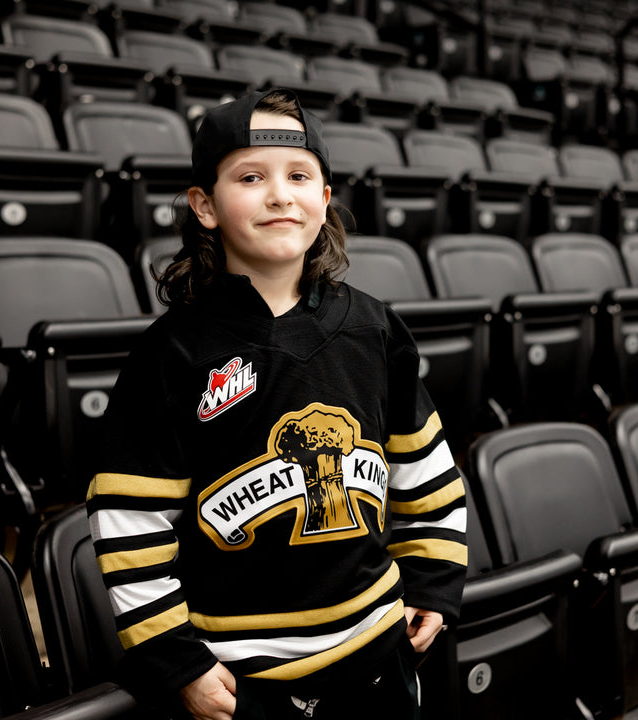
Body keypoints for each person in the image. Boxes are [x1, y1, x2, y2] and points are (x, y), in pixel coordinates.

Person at [86, 88, 467, 720]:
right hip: (245, 684)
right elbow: (129, 522)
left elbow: (426, 472)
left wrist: (433, 578)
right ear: (205, 206)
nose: (280, 195)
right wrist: (179, 660)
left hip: (382, 657)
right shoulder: (172, 354)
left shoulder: (375, 329)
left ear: (325, 198)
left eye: (299, 176)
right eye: (250, 177)